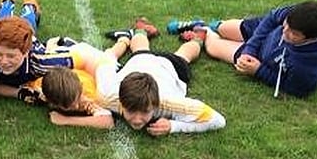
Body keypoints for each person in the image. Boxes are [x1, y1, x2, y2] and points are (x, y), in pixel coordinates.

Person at [171, 1, 317, 97]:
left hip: (262, 58)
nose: (285, 32)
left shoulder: (306, 68)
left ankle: (203, 30)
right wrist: (250, 48)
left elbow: (296, 89)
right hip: (263, 32)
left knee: (214, 47)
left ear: (311, 38)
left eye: (293, 34)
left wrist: (258, 70)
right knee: (225, 27)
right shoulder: (294, 15)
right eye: (286, 25)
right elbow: (273, 17)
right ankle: (211, 25)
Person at [92, 22, 226, 135]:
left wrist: (173, 126)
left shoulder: (170, 103)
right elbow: (104, 62)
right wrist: (117, 49)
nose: (138, 120)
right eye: (131, 110)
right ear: (121, 101)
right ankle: (141, 28)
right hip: (140, 61)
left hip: (170, 67)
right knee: (139, 49)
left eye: (145, 111)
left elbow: (218, 120)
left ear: (156, 104)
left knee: (184, 55)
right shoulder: (106, 96)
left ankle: (198, 37)